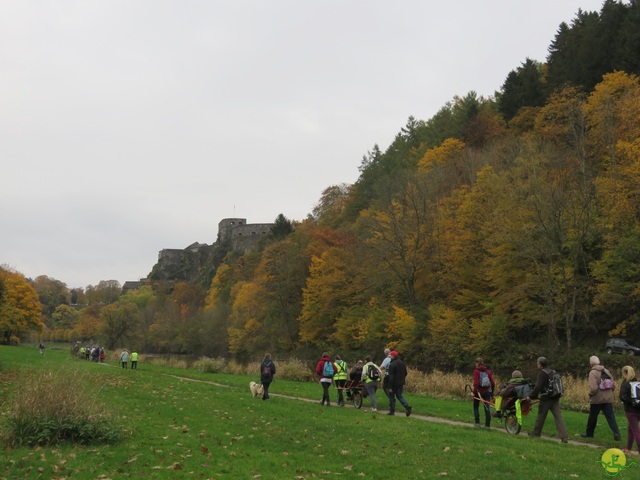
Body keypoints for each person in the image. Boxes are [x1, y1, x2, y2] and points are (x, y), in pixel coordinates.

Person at [526, 356, 568, 443]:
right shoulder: (553, 371)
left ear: (540, 365)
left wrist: (530, 396)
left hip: (546, 398)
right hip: (555, 397)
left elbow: (538, 387)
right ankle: (564, 438)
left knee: (541, 416)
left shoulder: (542, 373)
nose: (537, 365)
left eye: (537, 363)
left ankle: (536, 433)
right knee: (558, 417)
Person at [581, 355, 621, 440]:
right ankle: (617, 433)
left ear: (591, 363)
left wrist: (590, 394)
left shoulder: (593, 372)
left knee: (593, 417)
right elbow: (613, 385)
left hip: (597, 399)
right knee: (611, 417)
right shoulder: (606, 371)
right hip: (608, 398)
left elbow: (593, 388)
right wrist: (609, 393)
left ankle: (589, 434)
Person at [619, 365, 640, 455]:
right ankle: (628, 448)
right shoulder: (637, 383)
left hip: (631, 410)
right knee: (630, 428)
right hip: (639, 408)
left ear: (624, 373)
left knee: (635, 430)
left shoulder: (625, 383)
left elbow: (622, 397)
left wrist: (629, 401)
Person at [386, 350, 412, 416]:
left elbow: (391, 377)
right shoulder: (402, 363)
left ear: (393, 356)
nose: (390, 356)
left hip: (394, 384)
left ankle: (392, 411)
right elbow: (405, 373)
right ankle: (407, 406)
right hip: (401, 382)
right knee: (399, 395)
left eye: (391, 355)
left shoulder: (392, 365)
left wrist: (390, 387)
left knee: (391, 397)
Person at [472, 358, 495, 427]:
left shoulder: (476, 371)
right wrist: (492, 391)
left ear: (477, 364)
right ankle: (487, 425)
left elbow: (476, 383)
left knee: (476, 406)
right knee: (487, 407)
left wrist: (473, 392)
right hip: (487, 392)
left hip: (479, 392)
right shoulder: (488, 371)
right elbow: (493, 383)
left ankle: (477, 422)